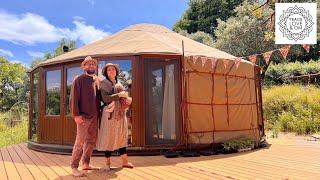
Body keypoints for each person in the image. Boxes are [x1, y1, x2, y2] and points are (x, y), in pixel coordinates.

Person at [96, 63, 134, 171]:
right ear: (106, 72)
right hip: (109, 114)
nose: (111, 71)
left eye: (113, 69)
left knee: (121, 136)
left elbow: (122, 98)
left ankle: (125, 162)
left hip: (120, 113)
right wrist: (120, 95)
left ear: (116, 71)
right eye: (109, 70)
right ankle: (107, 164)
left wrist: (126, 98)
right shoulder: (104, 83)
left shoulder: (118, 83)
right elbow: (106, 99)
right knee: (109, 137)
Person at [69, 56, 101, 177]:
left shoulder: (96, 80)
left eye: (93, 64)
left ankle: (86, 163)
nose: (91, 66)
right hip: (82, 117)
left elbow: (99, 98)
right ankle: (74, 167)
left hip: (94, 116)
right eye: (88, 64)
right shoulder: (79, 80)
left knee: (91, 141)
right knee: (80, 142)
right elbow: (73, 99)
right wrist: (76, 115)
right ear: (84, 67)